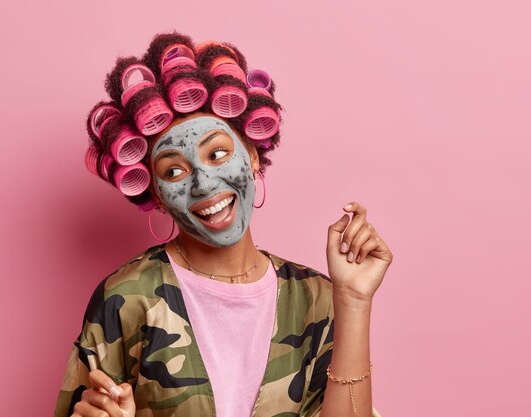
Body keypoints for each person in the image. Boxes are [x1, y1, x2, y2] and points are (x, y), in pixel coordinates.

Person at [54, 31, 393, 417]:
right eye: (174, 170)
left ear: (250, 153)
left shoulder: (316, 298)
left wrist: (353, 301)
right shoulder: (126, 299)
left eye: (217, 153)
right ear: (157, 195)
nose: (202, 182)